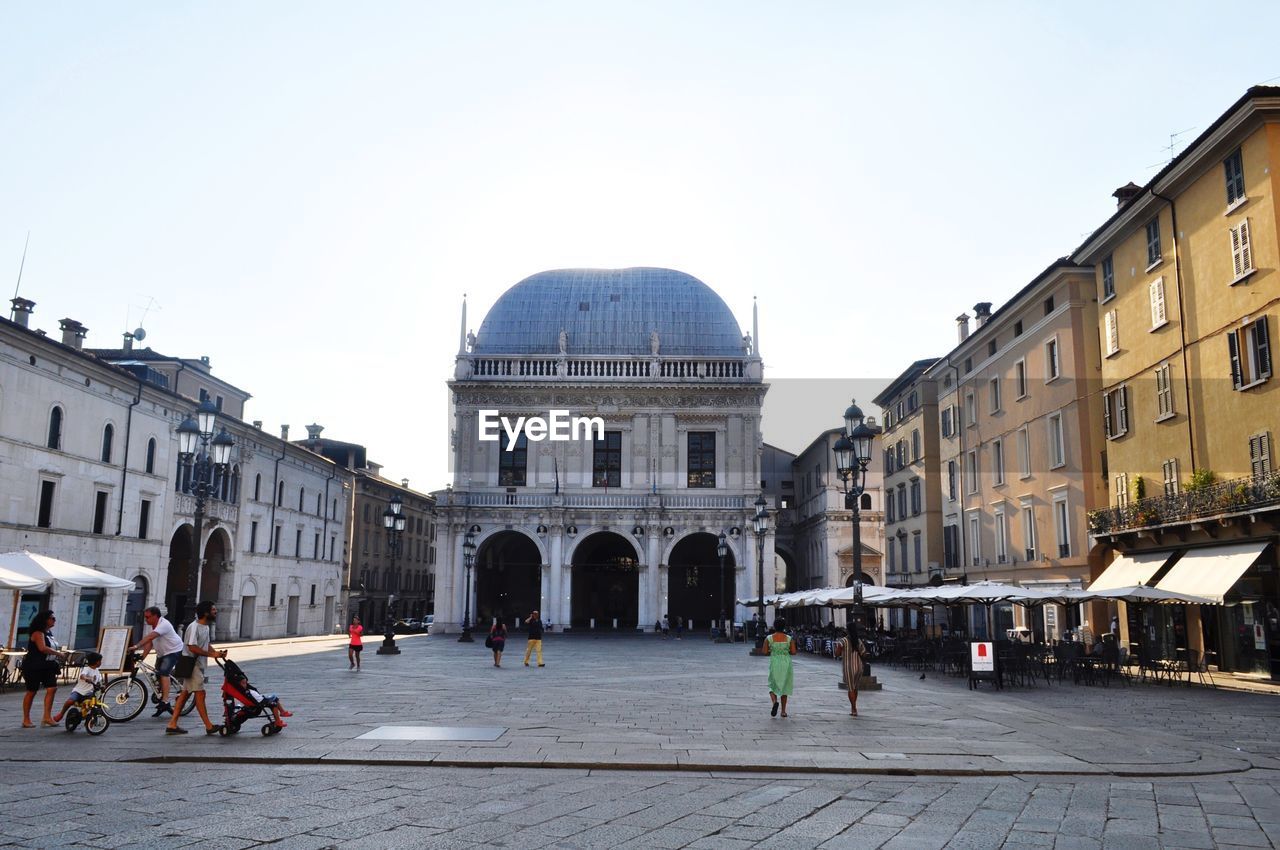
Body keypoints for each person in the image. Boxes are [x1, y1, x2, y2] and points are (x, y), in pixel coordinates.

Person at [166, 601, 228, 736]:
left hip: (197, 665)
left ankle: (172, 723)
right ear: (206, 613)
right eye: (213, 610)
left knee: (185, 694)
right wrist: (212, 654)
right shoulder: (194, 627)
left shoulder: (205, 626)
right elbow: (192, 647)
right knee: (200, 693)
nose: (215, 612)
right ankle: (208, 725)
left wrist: (217, 653)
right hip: (192, 664)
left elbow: (206, 645)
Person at [130, 606, 184, 716]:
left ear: (155, 616)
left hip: (173, 651)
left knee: (164, 672)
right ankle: (165, 686)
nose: (146, 619)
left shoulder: (164, 624)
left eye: (148, 617)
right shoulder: (153, 626)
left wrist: (137, 646)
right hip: (162, 653)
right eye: (145, 617)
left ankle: (165, 701)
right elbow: (150, 642)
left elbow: (150, 637)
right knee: (157, 673)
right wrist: (142, 657)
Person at [21, 610, 68, 728]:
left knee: (52, 688)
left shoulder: (48, 633)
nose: (54, 620)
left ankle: (47, 716)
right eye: (52, 618)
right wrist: (58, 654)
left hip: (48, 665)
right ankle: (26, 719)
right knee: (32, 691)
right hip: (34, 665)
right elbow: (42, 648)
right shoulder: (38, 633)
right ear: (45, 620)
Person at [53, 651, 104, 724]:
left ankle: (91, 719)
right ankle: (61, 713)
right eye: (100, 661)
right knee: (70, 701)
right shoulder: (87, 669)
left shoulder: (97, 672)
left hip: (89, 693)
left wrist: (102, 686)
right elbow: (82, 675)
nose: (101, 662)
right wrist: (86, 678)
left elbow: (100, 682)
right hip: (79, 691)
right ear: (95, 662)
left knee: (96, 704)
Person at [766, 617, 797, 718]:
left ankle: (775, 701)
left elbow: (764, 651)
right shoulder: (789, 638)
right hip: (786, 663)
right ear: (784, 626)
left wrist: (774, 650)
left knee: (772, 685)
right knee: (785, 686)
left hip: (774, 662)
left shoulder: (769, 638)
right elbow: (793, 652)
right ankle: (783, 711)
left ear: (774, 626)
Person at [835, 626, 865, 717]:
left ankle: (854, 708)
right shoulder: (858, 640)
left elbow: (837, 653)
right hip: (859, 666)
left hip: (849, 667)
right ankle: (854, 707)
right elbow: (863, 652)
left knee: (851, 688)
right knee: (855, 687)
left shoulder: (843, 641)